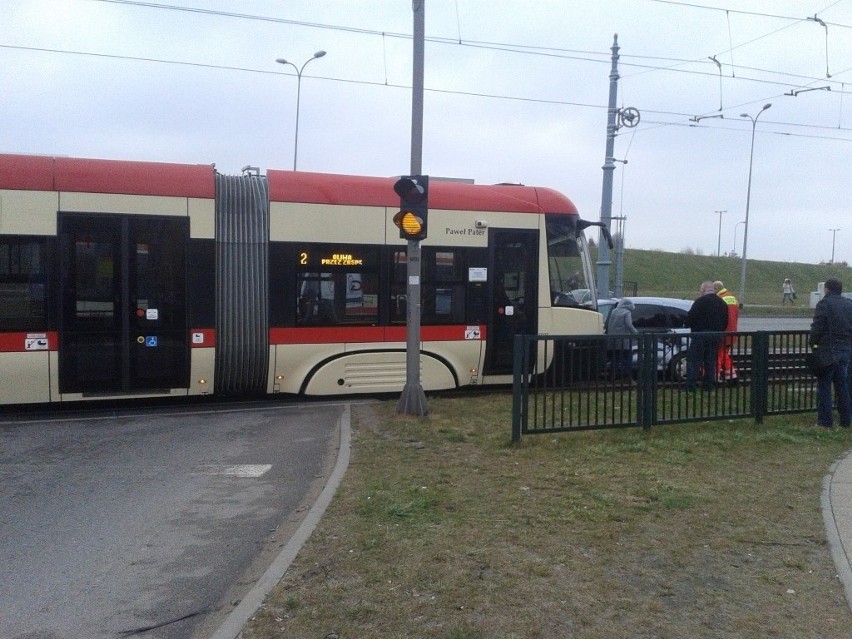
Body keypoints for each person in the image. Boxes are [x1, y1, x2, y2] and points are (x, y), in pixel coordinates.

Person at [809, 277, 852, 428]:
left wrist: (812, 343)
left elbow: (817, 328)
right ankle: (846, 421)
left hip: (828, 350)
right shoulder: (849, 304)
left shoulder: (824, 304)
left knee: (825, 386)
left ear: (827, 289)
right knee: (843, 386)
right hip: (846, 350)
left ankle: (825, 422)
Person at [685, 281, 729, 390]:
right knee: (711, 362)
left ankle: (691, 386)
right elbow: (725, 320)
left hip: (700, 334)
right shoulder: (721, 302)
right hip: (716, 335)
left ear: (703, 290)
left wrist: (692, 328)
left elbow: (691, 317)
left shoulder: (700, 301)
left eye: (701, 290)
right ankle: (709, 385)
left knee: (694, 361)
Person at [713, 281, 739, 384]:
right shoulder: (732, 298)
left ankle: (715, 378)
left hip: (723, 331)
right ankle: (732, 377)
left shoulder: (720, 299)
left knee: (718, 356)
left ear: (716, 289)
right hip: (732, 332)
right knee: (723, 354)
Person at [607, 298, 639, 380]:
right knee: (628, 359)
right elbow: (629, 325)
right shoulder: (627, 312)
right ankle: (629, 378)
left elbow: (609, 324)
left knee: (615, 359)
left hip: (612, 340)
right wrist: (636, 333)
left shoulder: (614, 311)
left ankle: (612, 377)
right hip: (624, 341)